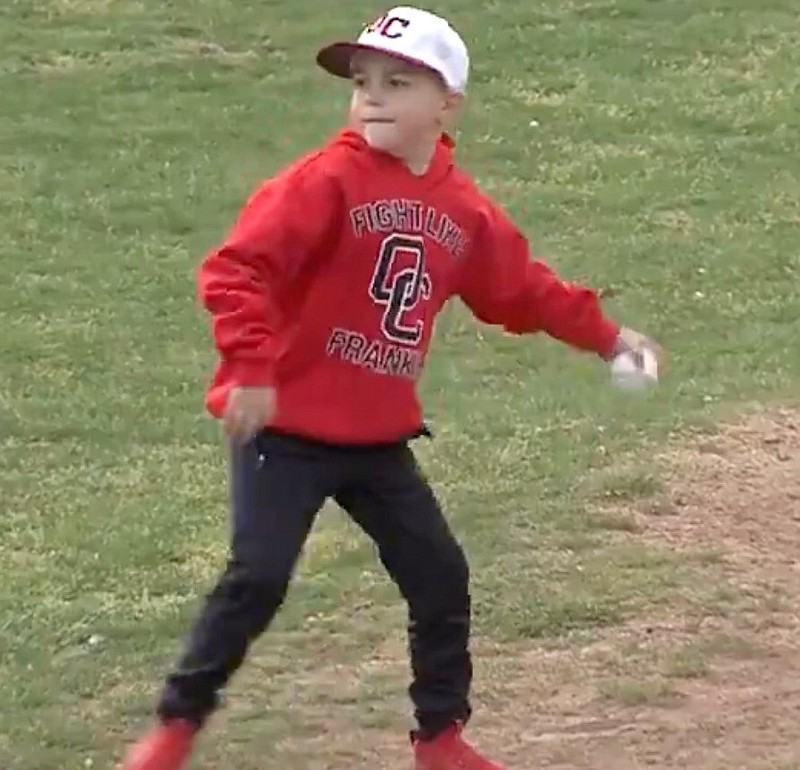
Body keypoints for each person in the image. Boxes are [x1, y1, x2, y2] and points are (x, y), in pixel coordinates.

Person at [117, 6, 660, 770]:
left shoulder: (461, 209)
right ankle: (174, 730)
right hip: (285, 427)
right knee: (260, 576)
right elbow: (238, 269)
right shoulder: (324, 180)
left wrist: (606, 336)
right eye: (362, 82)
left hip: (375, 436)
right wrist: (250, 368)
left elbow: (521, 291)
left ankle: (440, 740)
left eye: (398, 82)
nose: (372, 96)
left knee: (440, 576)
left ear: (447, 104)